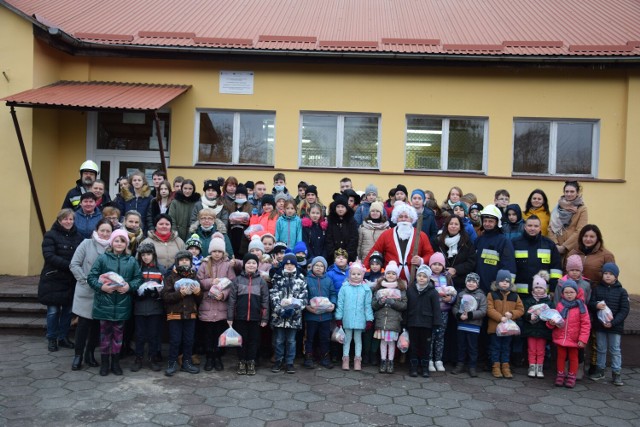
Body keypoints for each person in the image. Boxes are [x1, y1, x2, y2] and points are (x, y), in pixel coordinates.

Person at [87, 229, 143, 376]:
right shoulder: (103, 258)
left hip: (122, 304)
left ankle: (116, 363)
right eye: (117, 240)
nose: (119, 244)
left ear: (126, 244)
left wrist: (129, 286)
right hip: (104, 303)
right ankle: (105, 363)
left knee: (118, 336)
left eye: (122, 241)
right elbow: (92, 277)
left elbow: (138, 278)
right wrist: (102, 287)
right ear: (112, 242)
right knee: (105, 336)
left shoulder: (131, 261)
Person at [69, 218, 113, 370]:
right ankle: (78, 356)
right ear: (97, 230)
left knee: (96, 326)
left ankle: (90, 354)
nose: (105, 233)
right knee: (83, 325)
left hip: (104, 292)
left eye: (108, 231)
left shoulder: (113, 248)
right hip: (86, 290)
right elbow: (74, 264)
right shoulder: (86, 243)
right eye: (103, 230)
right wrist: (85, 280)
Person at [38, 208, 84, 352]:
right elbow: (49, 256)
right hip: (54, 278)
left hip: (70, 280)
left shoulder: (79, 237)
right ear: (59, 220)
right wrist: (71, 265)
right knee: (53, 311)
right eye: (65, 219)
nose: (68, 221)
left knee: (68, 311)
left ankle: (63, 337)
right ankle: (52, 338)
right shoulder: (50, 235)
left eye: (71, 219)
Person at [364, 203, 435, 282]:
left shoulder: (421, 235)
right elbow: (374, 252)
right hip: (390, 279)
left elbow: (429, 254)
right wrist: (362, 269)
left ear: (411, 219)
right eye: (400, 217)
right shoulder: (386, 234)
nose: (403, 219)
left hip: (415, 280)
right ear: (396, 219)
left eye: (406, 217)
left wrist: (421, 260)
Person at [196, 233, 236, 372]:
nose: (217, 254)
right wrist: (211, 282)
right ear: (210, 251)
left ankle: (218, 357)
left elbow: (232, 284)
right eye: (214, 251)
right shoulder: (204, 264)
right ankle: (209, 357)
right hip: (207, 306)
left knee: (219, 334)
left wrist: (223, 295)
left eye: (220, 251)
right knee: (208, 335)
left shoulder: (227, 265)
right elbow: (199, 281)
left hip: (221, 308)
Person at [227, 253, 270, 375]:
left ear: (257, 265)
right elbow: (232, 300)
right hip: (240, 317)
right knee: (241, 340)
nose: (251, 265)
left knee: (254, 340)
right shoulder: (237, 280)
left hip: (256, 318)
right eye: (248, 263)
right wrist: (230, 317)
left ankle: (251, 361)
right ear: (244, 265)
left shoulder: (261, 282)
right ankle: (242, 361)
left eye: (254, 263)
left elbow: (265, 301)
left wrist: (264, 318)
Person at [161, 251, 203, 376]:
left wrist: (197, 293)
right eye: (181, 260)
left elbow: (200, 299)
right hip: (175, 314)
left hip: (190, 314)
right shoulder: (170, 277)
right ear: (177, 262)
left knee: (189, 340)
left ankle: (187, 363)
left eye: (187, 260)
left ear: (191, 262)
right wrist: (180, 294)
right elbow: (165, 296)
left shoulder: (194, 277)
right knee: (175, 340)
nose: (184, 262)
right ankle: (172, 363)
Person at [588, 263, 630, 386]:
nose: (607, 276)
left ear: (616, 277)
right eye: (605, 273)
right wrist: (596, 305)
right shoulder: (597, 289)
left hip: (615, 327)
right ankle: (600, 370)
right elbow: (590, 303)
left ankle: (616, 373)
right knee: (601, 348)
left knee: (615, 350)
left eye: (611, 274)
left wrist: (613, 322)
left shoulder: (622, 292)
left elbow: (624, 310)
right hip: (600, 325)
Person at [270, 254, 308, 374]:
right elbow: (273, 295)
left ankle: (289, 362)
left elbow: (304, 298)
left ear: (295, 264)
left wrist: (293, 309)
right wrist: (280, 310)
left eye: (292, 264)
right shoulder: (278, 277)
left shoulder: (301, 278)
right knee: (279, 340)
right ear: (283, 264)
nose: (289, 266)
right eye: (287, 263)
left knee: (291, 340)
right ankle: (278, 360)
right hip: (279, 316)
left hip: (294, 317)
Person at [548, 280, 590, 388]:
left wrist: (583, 339)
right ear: (563, 294)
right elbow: (554, 319)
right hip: (561, 337)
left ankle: (572, 375)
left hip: (574, 338)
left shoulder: (581, 306)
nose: (569, 294)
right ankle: (560, 374)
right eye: (566, 292)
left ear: (577, 292)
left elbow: (586, 324)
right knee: (561, 357)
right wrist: (551, 323)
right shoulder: (560, 305)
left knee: (573, 357)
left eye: (571, 292)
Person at [131, 242, 165, 372]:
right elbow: (132, 284)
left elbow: (165, 287)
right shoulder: (137, 269)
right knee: (139, 335)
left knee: (153, 335)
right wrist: (137, 294)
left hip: (155, 308)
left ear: (153, 255)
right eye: (143, 254)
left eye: (148, 254)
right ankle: (138, 357)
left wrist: (156, 293)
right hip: (139, 308)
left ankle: (153, 357)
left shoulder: (160, 269)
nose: (146, 257)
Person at [335, 260, 374, 371]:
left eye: (358, 274)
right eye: (353, 274)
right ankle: (345, 359)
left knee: (358, 340)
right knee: (347, 340)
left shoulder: (366, 289)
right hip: (347, 318)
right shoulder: (344, 288)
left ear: (362, 274)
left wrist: (369, 319)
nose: (356, 276)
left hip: (360, 319)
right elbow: (340, 303)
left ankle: (357, 360)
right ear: (349, 274)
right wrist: (339, 317)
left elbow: (367, 305)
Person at [487, 269, 524, 379]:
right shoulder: (492, 294)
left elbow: (521, 309)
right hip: (495, 329)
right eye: (502, 281)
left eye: (507, 282)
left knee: (506, 347)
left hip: (509, 329)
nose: (505, 283)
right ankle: (495, 366)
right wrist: (500, 317)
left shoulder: (515, 296)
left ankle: (505, 367)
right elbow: (489, 309)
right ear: (497, 282)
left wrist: (512, 314)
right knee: (495, 347)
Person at [371, 261, 407, 374]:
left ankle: (390, 362)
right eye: (388, 273)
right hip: (382, 320)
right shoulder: (379, 288)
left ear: (397, 275)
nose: (390, 275)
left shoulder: (401, 289)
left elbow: (404, 305)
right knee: (383, 341)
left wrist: (392, 302)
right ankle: (383, 361)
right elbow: (374, 305)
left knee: (391, 342)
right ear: (385, 274)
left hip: (394, 320)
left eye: (393, 273)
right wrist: (381, 302)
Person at [512, 215, 562, 295]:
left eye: (536, 226)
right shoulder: (515, 243)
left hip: (543, 294)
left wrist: (553, 289)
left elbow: (556, 269)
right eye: (529, 225)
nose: (532, 228)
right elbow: (510, 267)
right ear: (525, 227)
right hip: (520, 294)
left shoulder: (549, 244)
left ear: (540, 228)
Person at [406, 265, 441, 378]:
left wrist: (436, 324)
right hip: (413, 322)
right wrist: (404, 322)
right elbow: (407, 307)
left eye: (424, 276)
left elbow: (436, 309)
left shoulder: (433, 292)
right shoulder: (411, 290)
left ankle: (425, 367)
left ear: (429, 278)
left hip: (427, 324)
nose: (421, 278)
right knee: (414, 346)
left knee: (426, 347)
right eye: (419, 276)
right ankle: (413, 367)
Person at [450, 273, 487, 377]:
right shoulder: (461, 294)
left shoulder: (481, 296)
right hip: (462, 325)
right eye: (469, 281)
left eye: (474, 282)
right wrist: (458, 314)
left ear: (478, 284)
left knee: (472, 347)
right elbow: (455, 307)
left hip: (474, 326)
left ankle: (472, 367)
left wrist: (470, 315)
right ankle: (460, 365)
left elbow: (483, 311)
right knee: (461, 346)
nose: (471, 283)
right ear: (466, 282)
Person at [303, 256, 337, 369]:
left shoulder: (328, 280)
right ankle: (308, 358)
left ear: (325, 268)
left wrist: (333, 304)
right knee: (310, 337)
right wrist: (307, 306)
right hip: (311, 315)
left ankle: (325, 358)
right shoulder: (306, 279)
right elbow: (303, 295)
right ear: (312, 267)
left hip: (326, 315)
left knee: (325, 338)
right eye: (316, 265)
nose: (318, 268)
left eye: (321, 266)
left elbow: (333, 293)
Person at [474, 205, 516, 294]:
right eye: (485, 221)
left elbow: (509, 266)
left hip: (496, 290)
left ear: (497, 223)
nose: (487, 224)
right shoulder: (479, 240)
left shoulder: (504, 241)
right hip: (478, 289)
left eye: (490, 221)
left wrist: (504, 288)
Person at [427, 252, 456, 373]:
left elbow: (454, 293)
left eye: (439, 264)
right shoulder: (428, 277)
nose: (437, 266)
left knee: (440, 336)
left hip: (444, 311)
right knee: (430, 336)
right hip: (431, 312)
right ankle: (429, 360)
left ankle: (438, 360)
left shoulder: (447, 277)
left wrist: (451, 299)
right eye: (434, 264)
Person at [521, 273, 554, 379]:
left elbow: (553, 314)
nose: (538, 290)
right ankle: (531, 367)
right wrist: (529, 316)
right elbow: (523, 313)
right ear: (533, 289)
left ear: (545, 289)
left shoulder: (548, 302)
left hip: (542, 331)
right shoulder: (528, 300)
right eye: (536, 287)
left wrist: (548, 318)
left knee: (541, 350)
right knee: (531, 349)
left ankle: (539, 367)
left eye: (541, 288)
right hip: (531, 330)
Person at [434, 215, 476, 291]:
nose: (453, 226)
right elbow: (433, 260)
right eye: (451, 224)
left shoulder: (466, 242)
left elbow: (471, 262)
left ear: (460, 227)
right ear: (447, 226)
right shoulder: (438, 241)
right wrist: (443, 270)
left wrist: (456, 270)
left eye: (456, 224)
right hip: (440, 282)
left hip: (460, 283)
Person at [549, 181, 588, 255]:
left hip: (573, 249)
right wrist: (556, 245)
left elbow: (580, 230)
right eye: (567, 191)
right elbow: (550, 228)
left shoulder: (582, 209)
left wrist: (564, 247)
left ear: (577, 192)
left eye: (572, 191)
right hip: (556, 249)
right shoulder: (557, 207)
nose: (569, 194)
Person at [325, 193, 359, 264]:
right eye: (338, 207)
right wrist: (334, 255)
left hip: (349, 258)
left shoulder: (352, 221)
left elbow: (354, 239)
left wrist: (346, 256)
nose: (340, 209)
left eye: (342, 207)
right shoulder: (330, 220)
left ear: (346, 208)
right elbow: (329, 239)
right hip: (333, 258)